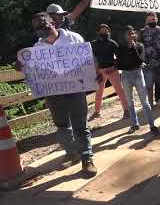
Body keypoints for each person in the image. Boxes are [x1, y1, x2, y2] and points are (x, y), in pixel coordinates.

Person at [16, 12, 98, 176]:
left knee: (80, 125)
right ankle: (71, 153)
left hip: (75, 89)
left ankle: (87, 158)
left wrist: (95, 72)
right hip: (53, 93)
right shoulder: (37, 48)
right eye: (35, 27)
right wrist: (21, 66)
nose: (39, 28)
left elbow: (88, 59)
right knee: (62, 126)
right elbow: (32, 71)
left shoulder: (73, 38)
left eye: (42, 23)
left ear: (52, 22)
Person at [117, 26, 159, 135]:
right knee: (129, 102)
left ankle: (152, 125)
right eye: (128, 34)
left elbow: (141, 60)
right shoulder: (121, 48)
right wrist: (128, 57)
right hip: (126, 75)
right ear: (125, 36)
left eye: (132, 33)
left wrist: (134, 48)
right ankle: (134, 124)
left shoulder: (140, 46)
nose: (131, 36)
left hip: (137, 74)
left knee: (144, 102)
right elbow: (120, 64)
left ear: (135, 34)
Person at [89, 24, 129, 121]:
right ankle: (97, 112)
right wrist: (97, 70)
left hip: (112, 70)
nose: (105, 32)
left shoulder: (112, 43)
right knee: (99, 92)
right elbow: (92, 57)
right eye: (103, 31)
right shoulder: (93, 44)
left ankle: (127, 110)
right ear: (98, 32)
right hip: (100, 71)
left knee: (119, 90)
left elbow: (120, 56)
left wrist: (115, 66)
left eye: (106, 31)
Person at [137, 12, 160, 109]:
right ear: (146, 21)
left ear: (157, 19)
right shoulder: (142, 32)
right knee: (148, 85)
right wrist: (139, 61)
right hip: (147, 64)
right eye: (150, 20)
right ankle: (151, 104)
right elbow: (138, 48)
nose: (152, 21)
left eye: (153, 19)